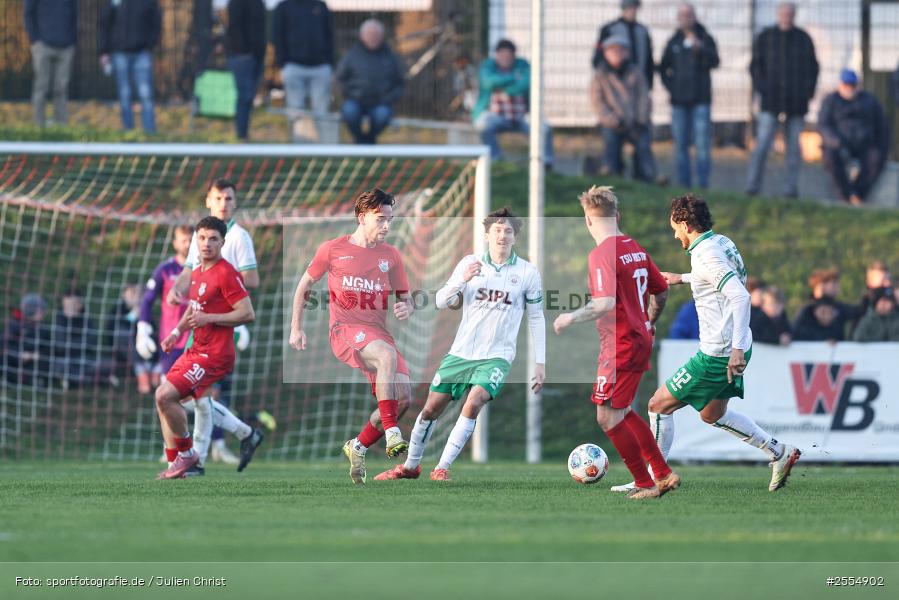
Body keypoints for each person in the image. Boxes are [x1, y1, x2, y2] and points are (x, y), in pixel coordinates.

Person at [374, 208, 546, 482]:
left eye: (508, 231)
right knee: (430, 409)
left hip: (496, 357)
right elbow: (442, 300)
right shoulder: (470, 263)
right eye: (497, 230)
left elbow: (537, 317)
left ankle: (442, 467)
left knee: (474, 401)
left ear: (515, 237)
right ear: (487, 234)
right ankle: (410, 466)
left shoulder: (527, 273)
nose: (502, 235)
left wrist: (540, 363)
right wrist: (462, 279)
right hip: (461, 353)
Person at [648, 194, 801, 492]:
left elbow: (741, 296)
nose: (674, 234)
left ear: (684, 223)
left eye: (674, 227)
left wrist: (736, 350)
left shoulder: (705, 254)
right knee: (712, 414)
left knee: (658, 405)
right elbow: (718, 276)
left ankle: (655, 478)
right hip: (733, 343)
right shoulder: (720, 242)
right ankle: (778, 452)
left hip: (718, 351)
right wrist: (681, 277)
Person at [554, 186, 677, 500]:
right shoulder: (634, 246)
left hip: (619, 344)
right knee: (620, 410)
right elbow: (660, 290)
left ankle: (645, 482)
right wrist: (649, 321)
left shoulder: (602, 253)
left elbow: (604, 303)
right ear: (617, 215)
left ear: (587, 221)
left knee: (606, 416)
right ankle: (661, 472)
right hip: (638, 340)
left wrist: (570, 317)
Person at [289, 188, 413, 485]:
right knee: (386, 357)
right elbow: (304, 285)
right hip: (344, 330)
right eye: (380, 219)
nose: (387, 226)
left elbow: (406, 297)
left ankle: (357, 446)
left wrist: (405, 307)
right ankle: (392, 433)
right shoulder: (333, 249)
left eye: (390, 220)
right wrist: (296, 326)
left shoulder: (391, 256)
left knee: (405, 397)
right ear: (361, 218)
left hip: (377, 332)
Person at [168, 180, 261, 472]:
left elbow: (252, 280)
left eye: (229, 198)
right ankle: (245, 434)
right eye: (218, 197)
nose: (223, 203)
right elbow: (189, 272)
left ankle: (198, 459)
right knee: (196, 397)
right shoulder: (204, 235)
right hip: (200, 327)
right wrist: (177, 292)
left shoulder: (237, 237)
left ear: (235, 202)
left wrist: (222, 280)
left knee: (200, 395)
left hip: (223, 326)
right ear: (208, 199)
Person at [746, 2, 818, 198]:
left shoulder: (803, 39)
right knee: (762, 145)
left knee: (793, 148)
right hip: (771, 102)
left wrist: (807, 93)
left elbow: (813, 68)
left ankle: (790, 188)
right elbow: (755, 66)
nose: (786, 17)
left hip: (796, 104)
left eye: (790, 14)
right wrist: (763, 89)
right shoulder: (766, 38)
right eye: (783, 13)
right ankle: (752, 186)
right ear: (778, 15)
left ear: (794, 16)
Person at [659, 3, 719, 188]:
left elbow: (715, 61)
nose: (686, 18)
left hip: (701, 101)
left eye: (689, 14)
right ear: (679, 18)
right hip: (679, 102)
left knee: (702, 145)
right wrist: (673, 88)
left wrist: (700, 48)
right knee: (680, 145)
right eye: (682, 15)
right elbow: (663, 68)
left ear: (694, 16)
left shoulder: (705, 37)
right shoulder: (673, 41)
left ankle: (703, 183)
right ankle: (683, 183)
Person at [472, 39, 554, 167]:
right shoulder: (488, 66)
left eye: (508, 56)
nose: (505, 59)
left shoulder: (523, 66)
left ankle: (545, 162)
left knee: (544, 128)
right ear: (497, 55)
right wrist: (513, 78)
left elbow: (526, 84)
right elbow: (489, 82)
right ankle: (495, 160)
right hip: (496, 115)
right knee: (483, 125)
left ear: (513, 56)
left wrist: (504, 86)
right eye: (502, 55)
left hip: (521, 115)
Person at [818, 69, 890, 206]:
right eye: (846, 84)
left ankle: (857, 194)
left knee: (876, 157)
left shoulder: (869, 100)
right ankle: (846, 195)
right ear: (840, 84)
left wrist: (881, 145)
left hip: (865, 144)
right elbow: (823, 125)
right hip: (839, 144)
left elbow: (882, 125)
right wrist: (835, 142)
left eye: (852, 85)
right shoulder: (831, 101)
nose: (849, 88)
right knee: (830, 157)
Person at [592, 35, 657, 182]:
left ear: (627, 52)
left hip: (635, 122)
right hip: (613, 124)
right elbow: (598, 103)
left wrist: (640, 120)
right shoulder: (600, 74)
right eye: (613, 50)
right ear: (606, 53)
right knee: (611, 143)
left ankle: (647, 176)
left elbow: (644, 98)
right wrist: (613, 121)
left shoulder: (636, 72)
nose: (617, 53)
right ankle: (611, 175)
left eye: (621, 50)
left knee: (643, 143)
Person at [335, 20, 405, 144]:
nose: (373, 37)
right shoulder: (351, 56)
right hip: (355, 101)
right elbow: (339, 79)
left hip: (381, 103)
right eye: (369, 34)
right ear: (362, 36)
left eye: (376, 34)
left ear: (381, 36)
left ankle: (367, 140)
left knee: (382, 114)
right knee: (349, 111)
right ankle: (361, 140)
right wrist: (348, 93)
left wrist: (390, 98)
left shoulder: (391, 57)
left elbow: (400, 83)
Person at [99, 0, 161, 134]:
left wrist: (150, 45)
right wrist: (104, 51)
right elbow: (105, 22)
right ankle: (129, 133)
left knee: (145, 94)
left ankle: (150, 134)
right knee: (124, 94)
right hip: (119, 52)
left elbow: (156, 21)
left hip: (142, 52)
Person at [273, 0, 334, 115]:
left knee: (321, 111)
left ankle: (322, 133)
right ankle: (299, 134)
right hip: (293, 66)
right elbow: (278, 37)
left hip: (320, 66)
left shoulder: (321, 6)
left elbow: (329, 36)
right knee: (296, 111)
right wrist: (282, 65)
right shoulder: (283, 7)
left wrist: (329, 64)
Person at [25, 0, 77, 128]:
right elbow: (28, 14)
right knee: (41, 88)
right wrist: (35, 40)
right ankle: (39, 127)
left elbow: (74, 15)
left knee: (61, 89)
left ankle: (61, 127)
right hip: (43, 46)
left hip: (65, 46)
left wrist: (72, 41)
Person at [225, 0, 266, 141]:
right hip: (242, 56)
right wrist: (243, 51)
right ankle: (241, 134)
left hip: (256, 56)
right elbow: (234, 27)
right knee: (245, 96)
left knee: (249, 97)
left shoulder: (259, 3)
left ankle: (244, 133)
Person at [593, 0, 654, 91]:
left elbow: (648, 59)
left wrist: (649, 84)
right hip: (616, 85)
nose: (632, 10)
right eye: (629, 7)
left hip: (639, 84)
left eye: (634, 7)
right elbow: (598, 58)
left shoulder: (643, 31)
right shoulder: (609, 29)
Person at [108, 283, 157, 392]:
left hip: (145, 352)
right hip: (122, 352)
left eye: (137, 293)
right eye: (131, 293)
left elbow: (153, 330)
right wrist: (133, 316)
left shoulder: (146, 310)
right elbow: (112, 329)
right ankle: (142, 373)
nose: (134, 296)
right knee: (124, 334)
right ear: (124, 295)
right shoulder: (117, 310)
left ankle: (153, 372)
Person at [792, 268, 861, 342]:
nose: (838, 288)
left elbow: (858, 312)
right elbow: (796, 333)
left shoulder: (838, 307)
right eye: (833, 284)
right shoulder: (807, 311)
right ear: (821, 285)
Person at [3, 293, 51, 386]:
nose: (42, 312)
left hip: (34, 361)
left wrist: (34, 355)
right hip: (16, 358)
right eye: (40, 310)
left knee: (43, 364)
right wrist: (20, 354)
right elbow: (6, 344)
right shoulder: (15, 323)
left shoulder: (43, 328)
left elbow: (46, 347)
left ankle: (34, 381)